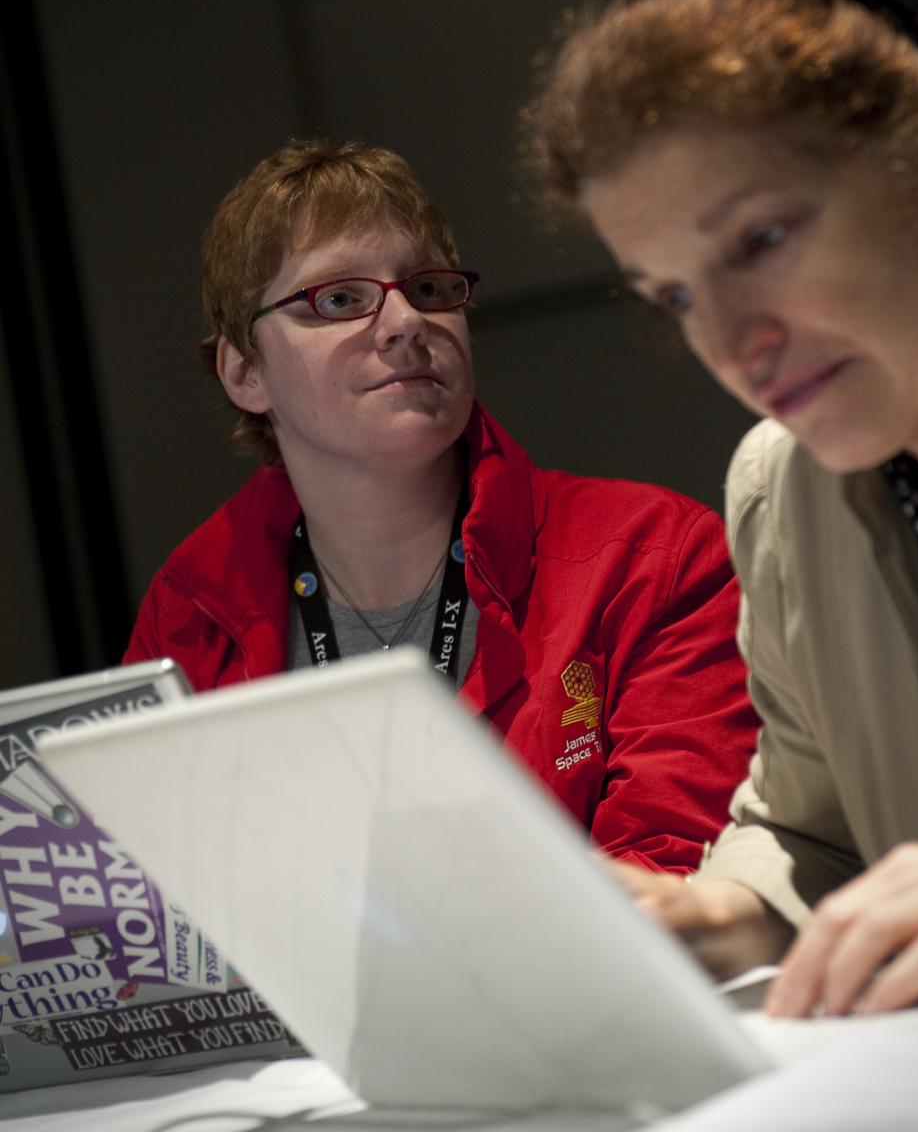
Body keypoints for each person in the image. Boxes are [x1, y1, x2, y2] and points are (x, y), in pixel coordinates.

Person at [523, 0, 918, 1013]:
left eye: (760, 236)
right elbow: (815, 826)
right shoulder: (784, 488)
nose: (732, 343)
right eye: (672, 295)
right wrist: (708, 912)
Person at [125, 138, 758, 872]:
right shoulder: (192, 610)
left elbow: (671, 878)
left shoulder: (653, 558)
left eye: (428, 289)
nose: (403, 323)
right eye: (338, 299)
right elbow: (157, 926)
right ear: (244, 373)